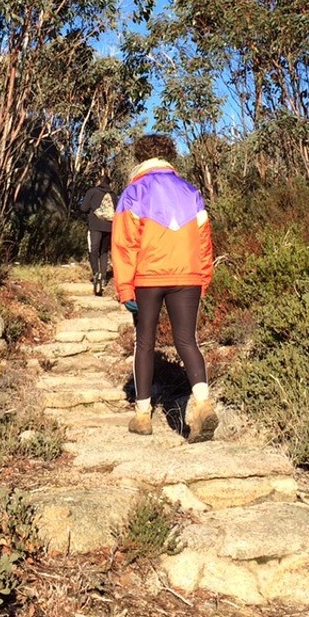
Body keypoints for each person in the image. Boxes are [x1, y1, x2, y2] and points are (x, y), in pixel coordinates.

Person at [110, 134, 217, 441]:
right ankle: (203, 403)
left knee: (144, 344)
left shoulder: (134, 192)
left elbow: (123, 244)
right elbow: (204, 240)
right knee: (187, 341)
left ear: (140, 158)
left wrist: (125, 288)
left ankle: (143, 417)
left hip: (147, 278)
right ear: (170, 156)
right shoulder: (191, 191)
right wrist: (204, 278)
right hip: (188, 276)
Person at [79, 179, 115, 296]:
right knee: (104, 252)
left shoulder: (92, 191)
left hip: (95, 225)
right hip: (109, 227)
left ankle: (96, 274)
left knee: (93, 250)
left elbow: (83, 208)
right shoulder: (113, 195)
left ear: (98, 181)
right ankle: (104, 278)